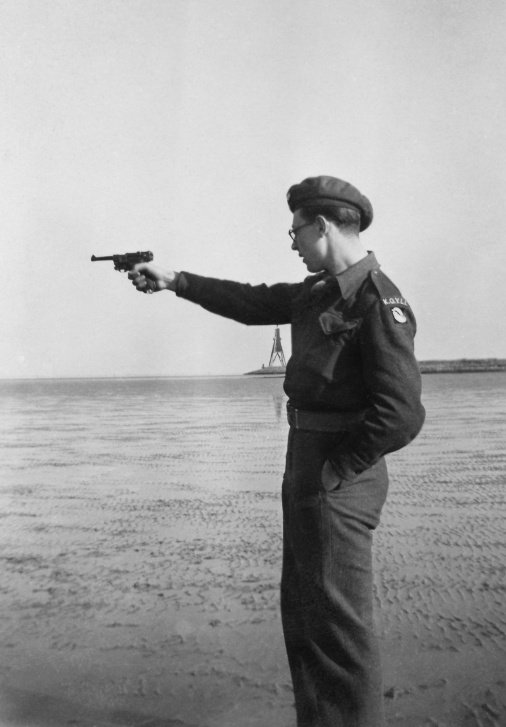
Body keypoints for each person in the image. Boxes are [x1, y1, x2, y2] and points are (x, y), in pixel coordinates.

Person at [128, 175, 425, 727]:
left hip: (336, 473)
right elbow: (246, 301)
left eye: (296, 230)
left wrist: (340, 469)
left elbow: (402, 413)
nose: (291, 241)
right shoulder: (315, 292)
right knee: (307, 615)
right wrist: (175, 280)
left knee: (339, 627)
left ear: (324, 226)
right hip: (308, 462)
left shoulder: (377, 298)